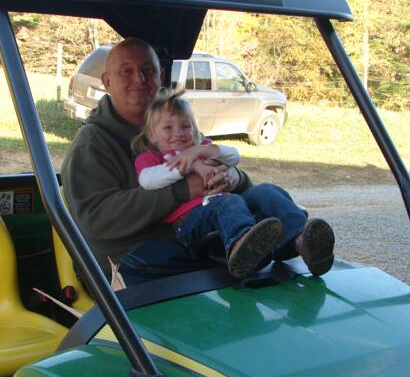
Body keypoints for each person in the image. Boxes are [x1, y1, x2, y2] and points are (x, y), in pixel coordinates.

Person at [61, 38, 334, 284]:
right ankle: (256, 253)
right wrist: (182, 190)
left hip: (199, 227)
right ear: (107, 81)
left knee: (264, 197)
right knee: (210, 251)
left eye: (148, 70)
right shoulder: (92, 145)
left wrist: (233, 178)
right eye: (126, 71)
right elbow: (96, 220)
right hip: (129, 256)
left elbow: (225, 170)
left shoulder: (176, 126)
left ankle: (298, 241)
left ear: (161, 77)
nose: (139, 79)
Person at [132, 89, 335, 278]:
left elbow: (233, 156)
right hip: (191, 222)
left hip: (229, 209)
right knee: (229, 203)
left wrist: (199, 152)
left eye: (185, 126)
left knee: (265, 191)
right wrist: (190, 165)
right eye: (168, 127)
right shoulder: (153, 157)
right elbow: (148, 181)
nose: (178, 133)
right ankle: (244, 248)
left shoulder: (201, 147)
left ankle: (301, 241)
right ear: (152, 135)